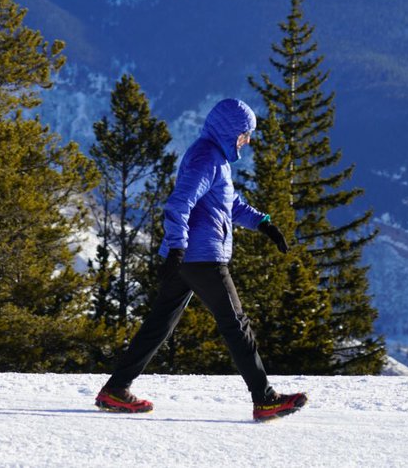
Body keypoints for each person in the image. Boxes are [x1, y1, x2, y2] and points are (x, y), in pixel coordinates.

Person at [94, 98, 308, 422]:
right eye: (245, 134)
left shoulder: (215, 159)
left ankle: (115, 389)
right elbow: (179, 203)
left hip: (190, 257)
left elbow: (229, 204)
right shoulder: (207, 157)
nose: (248, 140)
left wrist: (264, 224)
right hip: (201, 257)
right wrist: (178, 247)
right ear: (231, 131)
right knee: (236, 325)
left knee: (159, 325)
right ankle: (264, 400)